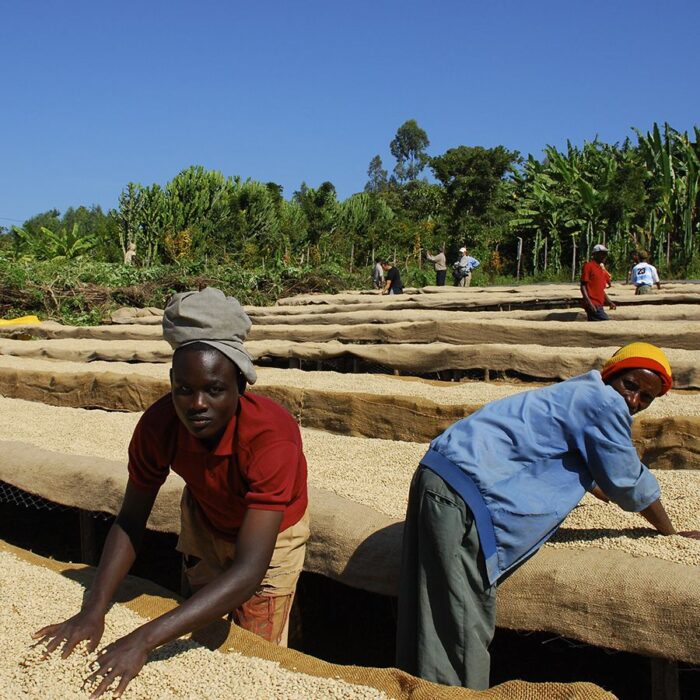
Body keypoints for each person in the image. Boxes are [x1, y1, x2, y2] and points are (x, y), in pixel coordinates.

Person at [34, 287, 310, 698]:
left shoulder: (271, 439)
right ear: (172, 384)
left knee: (255, 651)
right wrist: (92, 611)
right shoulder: (158, 426)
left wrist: (142, 640)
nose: (197, 404)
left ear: (240, 386)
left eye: (214, 389)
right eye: (184, 389)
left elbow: (250, 569)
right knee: (203, 625)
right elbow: (129, 522)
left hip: (272, 533)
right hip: (206, 514)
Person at [396, 342, 699, 689]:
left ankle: (415, 690)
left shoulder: (577, 392)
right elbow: (628, 481)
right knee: (459, 624)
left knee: (427, 613)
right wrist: (669, 532)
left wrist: (600, 489)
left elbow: (588, 468)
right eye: (631, 385)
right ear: (613, 374)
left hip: (437, 477)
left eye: (647, 397)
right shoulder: (603, 401)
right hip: (462, 498)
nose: (634, 401)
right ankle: (453, 696)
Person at [580, 243, 616, 320]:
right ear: (595, 254)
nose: (604, 256)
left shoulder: (600, 269)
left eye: (605, 254)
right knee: (606, 322)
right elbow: (583, 285)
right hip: (593, 304)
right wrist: (589, 303)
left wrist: (609, 302)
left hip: (599, 304)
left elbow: (600, 290)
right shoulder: (588, 266)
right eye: (602, 254)